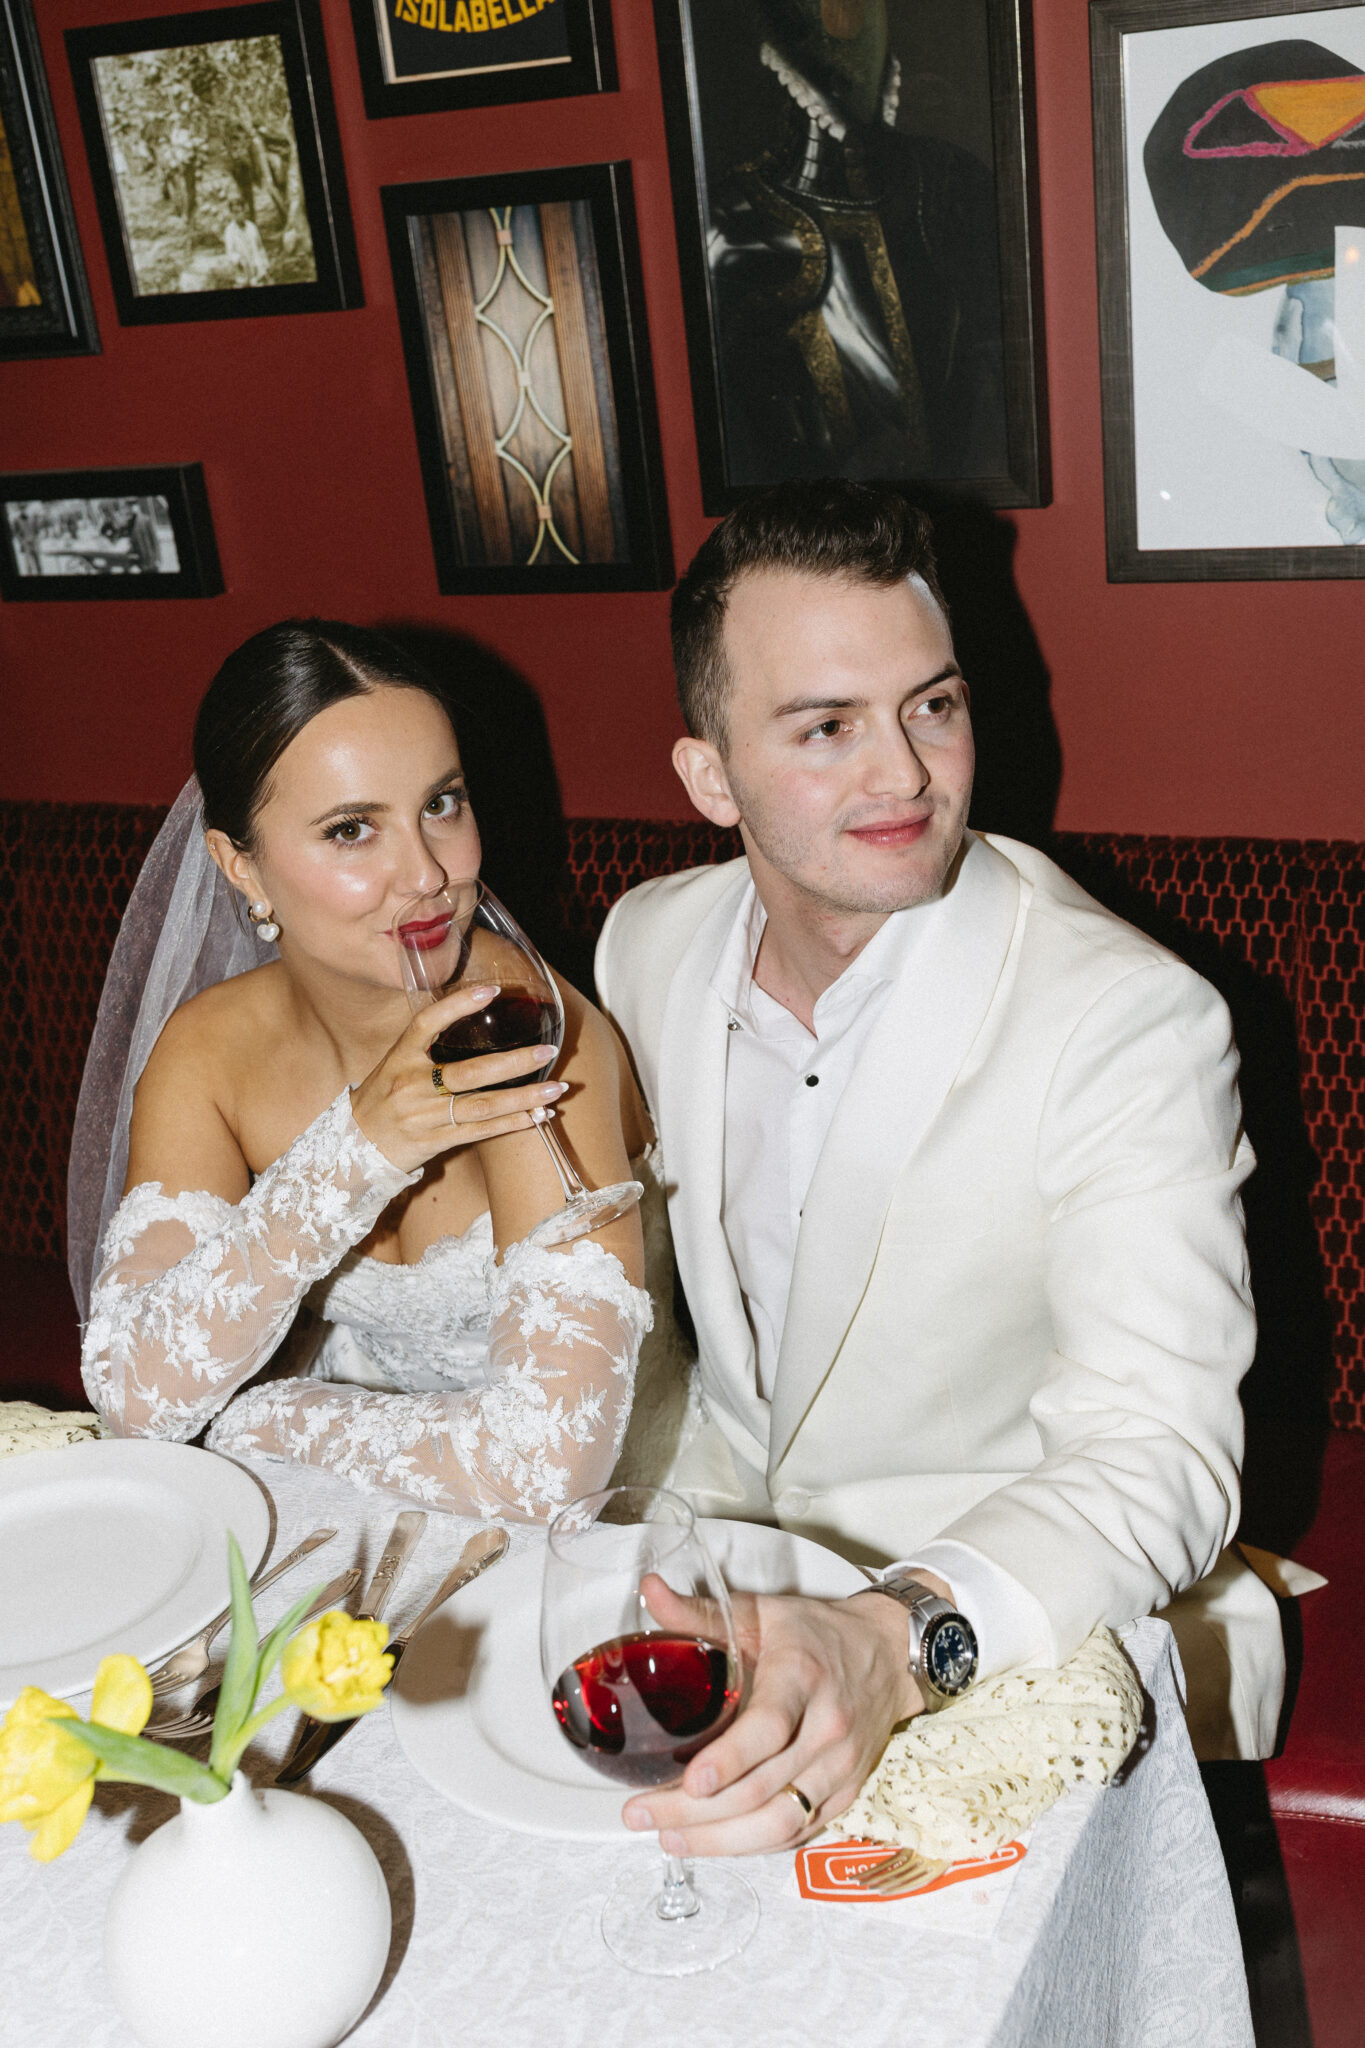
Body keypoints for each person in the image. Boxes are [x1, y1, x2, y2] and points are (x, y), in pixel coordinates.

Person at [595, 478, 1284, 1861]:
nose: (905, 772)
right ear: (708, 778)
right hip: (712, 1575)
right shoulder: (643, 944)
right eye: (827, 727)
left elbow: (1161, 1451)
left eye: (934, 704)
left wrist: (897, 1637)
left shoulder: (1127, 1020)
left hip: (1008, 1624)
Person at [73, 620, 692, 1521]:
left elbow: (549, 1470)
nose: (429, 875)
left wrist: (256, 1418)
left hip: (619, 1529)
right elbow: (133, 1392)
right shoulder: (208, 1051)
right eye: (353, 829)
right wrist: (360, 1148)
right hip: (369, 1506)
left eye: (442, 804)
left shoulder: (527, 1037)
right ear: (239, 865)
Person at [223, 196, 269, 288]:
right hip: (243, 274)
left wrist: (265, 265)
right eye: (234, 212)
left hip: (258, 271)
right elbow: (230, 252)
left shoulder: (251, 227)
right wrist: (240, 260)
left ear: (244, 211)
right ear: (231, 213)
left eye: (239, 211)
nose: (237, 215)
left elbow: (260, 247)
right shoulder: (230, 231)